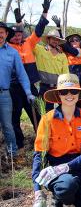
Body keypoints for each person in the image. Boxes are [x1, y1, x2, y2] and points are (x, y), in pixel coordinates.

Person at [32, 73, 81, 207]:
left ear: (79, 94)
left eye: (74, 91)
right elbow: (39, 155)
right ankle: (60, 197)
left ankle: (71, 197)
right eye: (64, 92)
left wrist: (68, 166)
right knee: (66, 186)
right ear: (58, 95)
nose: (69, 95)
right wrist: (37, 190)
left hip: (80, 168)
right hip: (55, 170)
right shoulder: (47, 119)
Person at [7, 0, 50, 151]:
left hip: (30, 85)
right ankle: (18, 143)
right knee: (15, 116)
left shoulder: (28, 43)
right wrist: (18, 22)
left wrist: (45, 12)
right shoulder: (6, 48)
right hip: (13, 87)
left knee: (38, 113)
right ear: (8, 36)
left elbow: (38, 30)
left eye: (20, 34)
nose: (17, 37)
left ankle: (41, 140)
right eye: (14, 35)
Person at [0, 22, 34, 157]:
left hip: (4, 94)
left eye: (1, 32)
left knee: (8, 126)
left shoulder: (12, 53)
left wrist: (28, 92)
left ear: (6, 34)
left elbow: (22, 74)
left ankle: (13, 155)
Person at [34, 26, 69, 112]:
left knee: (63, 111)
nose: (55, 41)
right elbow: (30, 41)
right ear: (48, 39)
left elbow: (65, 73)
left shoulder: (62, 55)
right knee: (45, 112)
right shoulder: (39, 50)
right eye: (53, 39)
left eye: (57, 40)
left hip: (58, 88)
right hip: (44, 87)